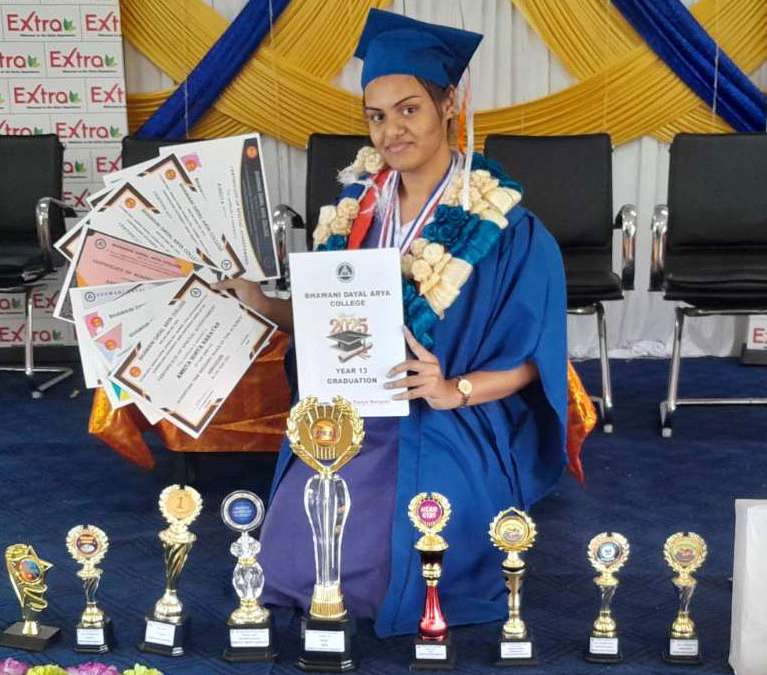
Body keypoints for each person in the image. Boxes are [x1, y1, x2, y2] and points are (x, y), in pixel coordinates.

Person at [212, 8, 571, 637]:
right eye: (376, 116)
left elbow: (534, 358)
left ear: (448, 104)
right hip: (352, 409)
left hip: (447, 415)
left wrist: (452, 388)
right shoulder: (356, 214)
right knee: (289, 563)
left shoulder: (508, 228)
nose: (391, 131)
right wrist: (257, 301)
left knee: (392, 565)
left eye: (409, 109)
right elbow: (326, 323)